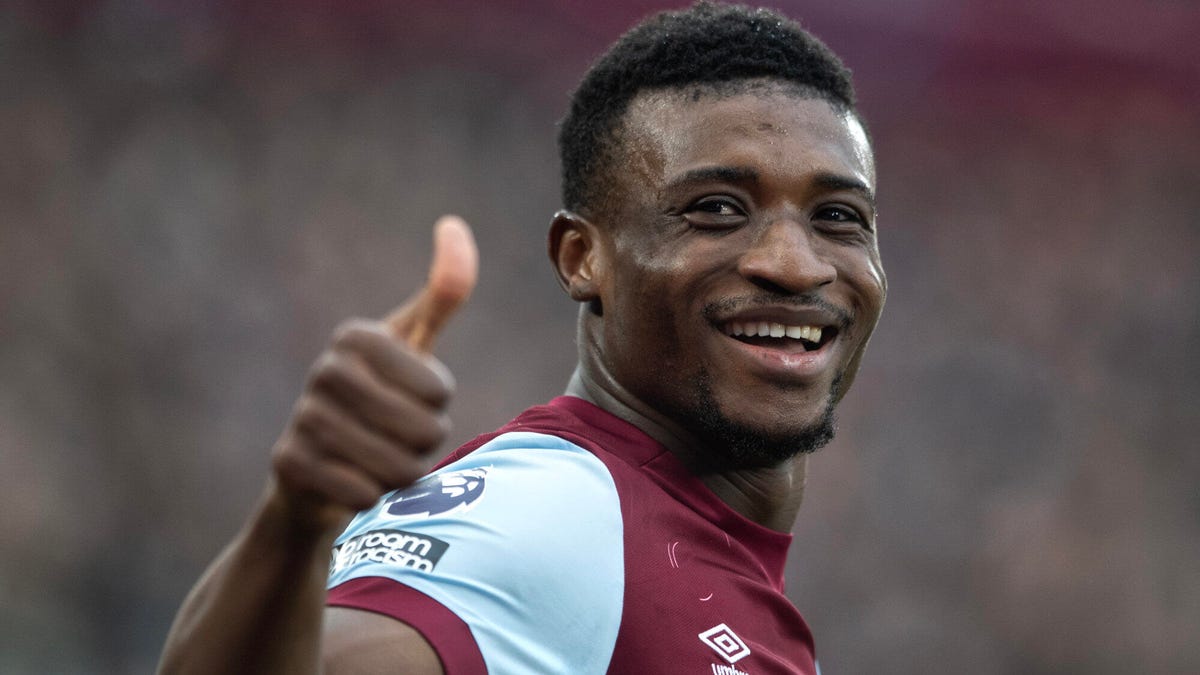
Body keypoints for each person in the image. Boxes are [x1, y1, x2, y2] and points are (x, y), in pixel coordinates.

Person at [158, 2, 886, 673]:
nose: (796, 264)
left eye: (839, 217)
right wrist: (294, 522)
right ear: (582, 258)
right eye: (718, 208)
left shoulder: (688, 555)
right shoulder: (551, 518)